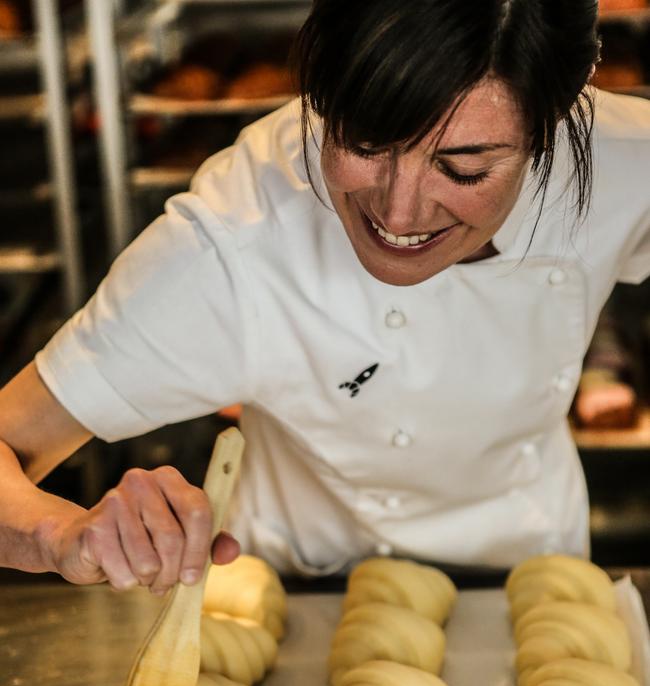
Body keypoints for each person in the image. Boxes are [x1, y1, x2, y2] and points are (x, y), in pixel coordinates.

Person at [1, 0, 649, 594]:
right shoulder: (238, 238)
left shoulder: (624, 161)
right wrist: (62, 535)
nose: (399, 211)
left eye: (464, 168)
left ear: (551, 125)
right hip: (291, 597)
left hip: (536, 584)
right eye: (365, 142)